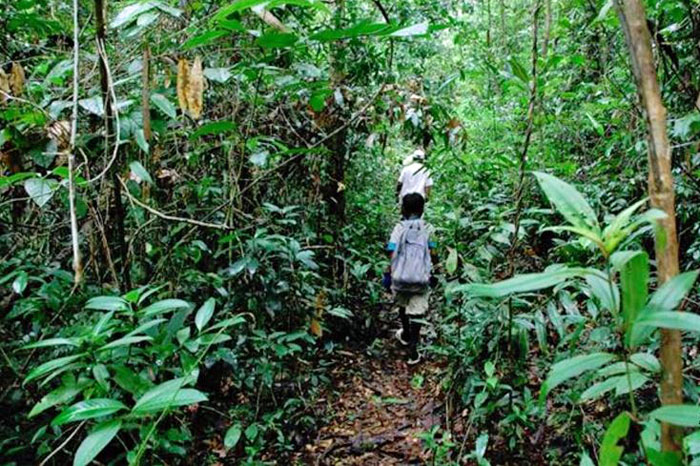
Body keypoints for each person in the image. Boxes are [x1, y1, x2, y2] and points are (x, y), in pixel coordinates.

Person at [384, 193, 437, 365]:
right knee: (417, 310)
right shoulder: (428, 228)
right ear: (422, 210)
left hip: (400, 277)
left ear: (403, 209)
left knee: (403, 305)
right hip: (421, 278)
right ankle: (413, 349)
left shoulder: (399, 228)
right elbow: (433, 253)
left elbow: (391, 252)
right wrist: (435, 272)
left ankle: (405, 334)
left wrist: (387, 274)